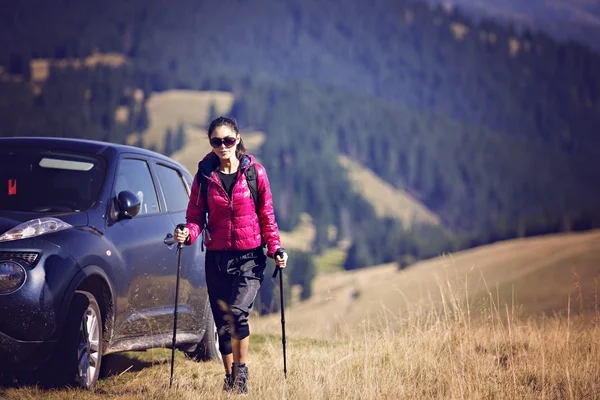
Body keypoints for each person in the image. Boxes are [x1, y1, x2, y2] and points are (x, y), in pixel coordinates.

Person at [174, 116, 288, 395]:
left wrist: (275, 248)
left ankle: (241, 373)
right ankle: (229, 377)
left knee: (237, 314)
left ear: (237, 139)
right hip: (216, 258)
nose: (223, 146)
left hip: (249, 257)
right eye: (216, 141)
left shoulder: (254, 173)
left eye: (227, 140)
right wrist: (187, 234)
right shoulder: (204, 175)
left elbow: (267, 215)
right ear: (211, 144)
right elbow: (195, 217)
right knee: (223, 320)